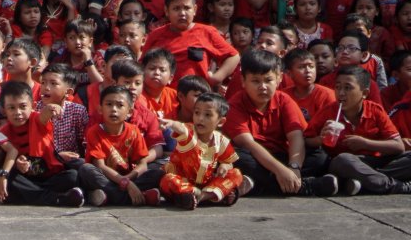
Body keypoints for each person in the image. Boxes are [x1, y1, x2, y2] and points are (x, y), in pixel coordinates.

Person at [225, 50, 336, 196]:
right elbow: (248, 144)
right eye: (255, 81)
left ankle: (262, 186)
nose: (262, 86)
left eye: (268, 80)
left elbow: (296, 136)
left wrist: (294, 167)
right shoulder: (235, 104)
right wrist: (280, 170)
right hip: (254, 157)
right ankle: (304, 186)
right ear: (243, 82)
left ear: (279, 79)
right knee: (238, 157)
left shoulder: (283, 100)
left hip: (282, 156)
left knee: (319, 157)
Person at [306, 66, 411, 195]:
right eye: (338, 87)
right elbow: (306, 140)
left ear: (365, 93)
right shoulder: (328, 112)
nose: (341, 93)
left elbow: (398, 146)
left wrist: (366, 143)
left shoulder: (375, 111)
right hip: (346, 164)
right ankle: (396, 186)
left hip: (373, 162)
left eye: (347, 88)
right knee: (343, 160)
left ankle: (362, 183)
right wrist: (320, 139)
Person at [142, 0, 239, 89]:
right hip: (165, 99)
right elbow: (142, 66)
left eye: (187, 8)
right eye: (176, 8)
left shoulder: (207, 32)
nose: (182, 13)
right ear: (166, 10)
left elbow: (234, 56)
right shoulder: (155, 35)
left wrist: (216, 78)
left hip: (198, 97)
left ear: (195, 9)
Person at [160, 93, 248, 209]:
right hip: (183, 181)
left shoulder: (221, 141)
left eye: (207, 115)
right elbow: (181, 128)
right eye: (197, 113)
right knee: (167, 180)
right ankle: (211, 196)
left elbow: (228, 162)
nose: (200, 118)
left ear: (220, 122)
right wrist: (172, 123)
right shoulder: (189, 132)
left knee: (236, 174)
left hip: (206, 184)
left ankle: (201, 197)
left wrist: (225, 167)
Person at [79, 85, 162, 206]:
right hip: (107, 178)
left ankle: (107, 197)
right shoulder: (94, 132)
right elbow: (100, 165)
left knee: (158, 173)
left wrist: (127, 179)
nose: (113, 109)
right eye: (109, 104)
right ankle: (139, 197)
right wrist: (126, 184)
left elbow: (142, 164)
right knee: (86, 170)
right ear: (100, 109)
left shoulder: (134, 130)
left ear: (129, 112)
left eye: (120, 105)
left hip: (129, 176)